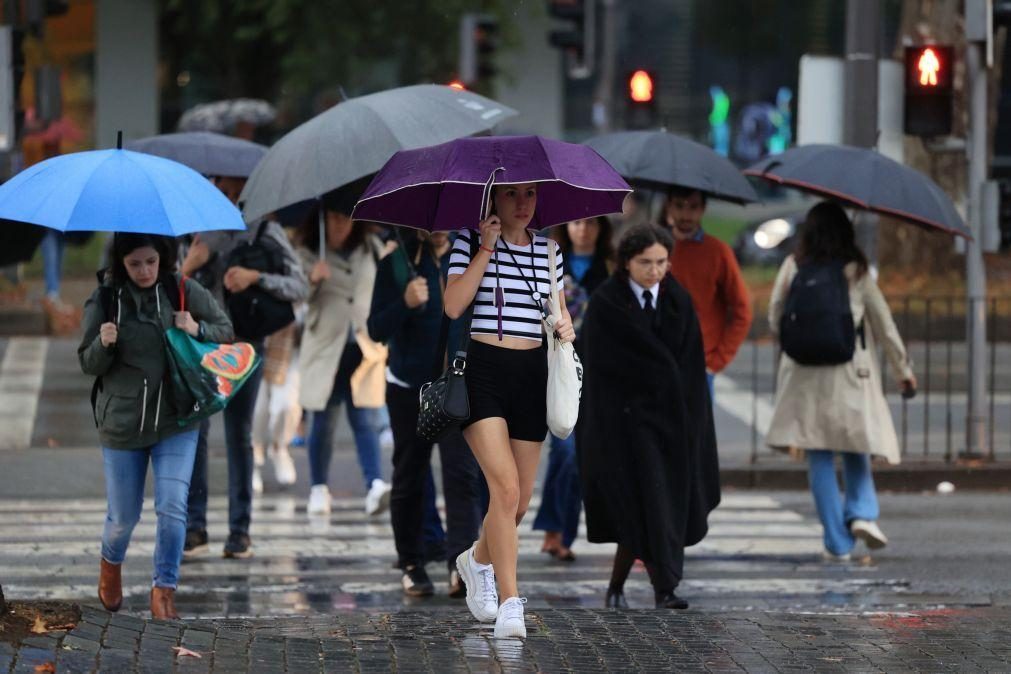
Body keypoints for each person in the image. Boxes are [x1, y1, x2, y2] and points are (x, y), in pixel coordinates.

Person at [444, 183, 576, 639]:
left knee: (516, 504)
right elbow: (453, 304)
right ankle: (511, 602)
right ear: (493, 200)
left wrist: (564, 325)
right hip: (483, 371)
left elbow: (561, 316)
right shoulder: (468, 239)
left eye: (531, 195)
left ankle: (477, 559)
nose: (523, 204)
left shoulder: (551, 251)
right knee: (503, 489)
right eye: (512, 194)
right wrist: (485, 247)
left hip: (530, 375)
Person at [79, 233, 233, 618]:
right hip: (122, 424)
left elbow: (225, 330)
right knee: (122, 518)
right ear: (121, 264)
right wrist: (103, 343)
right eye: (135, 264)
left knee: (172, 506)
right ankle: (110, 565)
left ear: (162, 258)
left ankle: (164, 589)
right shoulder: (105, 299)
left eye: (151, 261)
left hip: (177, 419)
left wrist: (197, 329)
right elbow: (88, 363)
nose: (145, 271)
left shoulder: (182, 288)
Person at [578, 223, 720, 610]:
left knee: (663, 507)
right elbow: (599, 368)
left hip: (672, 423)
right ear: (627, 263)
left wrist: (693, 426)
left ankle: (637, 588)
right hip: (625, 425)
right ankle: (660, 589)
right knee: (642, 508)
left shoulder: (678, 300)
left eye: (661, 262)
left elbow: (690, 366)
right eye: (646, 263)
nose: (655, 271)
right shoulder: (607, 303)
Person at [766, 202, 916, 561]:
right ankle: (862, 513)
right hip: (851, 372)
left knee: (818, 454)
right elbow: (884, 326)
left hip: (804, 376)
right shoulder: (857, 271)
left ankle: (836, 542)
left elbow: (775, 316)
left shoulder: (793, 266)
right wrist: (903, 371)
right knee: (855, 445)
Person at [181, 175, 309, 560]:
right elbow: (164, 290)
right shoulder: (190, 230)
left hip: (244, 346)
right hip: (199, 346)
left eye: (233, 184)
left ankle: (240, 530)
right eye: (217, 183)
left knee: (239, 436)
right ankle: (194, 526)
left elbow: (299, 286)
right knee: (197, 436)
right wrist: (190, 264)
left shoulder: (264, 229)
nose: (226, 190)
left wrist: (255, 277)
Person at [367, 230, 482, 598]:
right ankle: (412, 563)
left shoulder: (468, 258)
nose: (435, 229)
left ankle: (460, 564)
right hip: (406, 386)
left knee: (461, 474)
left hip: (455, 386)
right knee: (410, 475)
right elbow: (375, 329)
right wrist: (405, 301)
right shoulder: (396, 264)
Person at [296, 190, 390, 516]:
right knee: (322, 419)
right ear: (322, 220)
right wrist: (311, 279)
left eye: (346, 219)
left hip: (363, 347)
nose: (341, 226)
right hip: (325, 349)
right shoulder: (308, 253)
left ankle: (375, 485)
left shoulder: (371, 249)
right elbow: (295, 298)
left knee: (365, 417)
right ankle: (319, 488)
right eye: (334, 219)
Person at [532, 217, 613, 563]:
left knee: (578, 457)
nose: (584, 229)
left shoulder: (610, 267)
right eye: (578, 223)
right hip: (556, 367)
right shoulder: (551, 260)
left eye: (591, 223)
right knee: (563, 452)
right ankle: (554, 530)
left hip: (597, 370)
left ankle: (561, 533)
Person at [665, 186, 753, 396]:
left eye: (693, 207)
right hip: (658, 361)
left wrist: (717, 361)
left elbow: (742, 310)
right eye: (679, 206)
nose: (686, 214)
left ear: (703, 209)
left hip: (699, 364)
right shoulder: (655, 249)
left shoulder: (718, 252)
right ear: (669, 207)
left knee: (697, 429)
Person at [251, 322, 301, 494]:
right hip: (252, 339)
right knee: (257, 410)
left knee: (287, 405)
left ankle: (279, 447)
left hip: (288, 343)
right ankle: (253, 459)